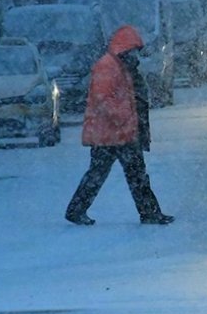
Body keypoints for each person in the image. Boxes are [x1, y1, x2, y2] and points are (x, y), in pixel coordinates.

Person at [65, 25, 174, 225]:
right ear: (125, 48)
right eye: (133, 50)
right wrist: (124, 118)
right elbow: (103, 98)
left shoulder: (120, 66)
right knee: (130, 174)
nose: (136, 56)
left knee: (111, 174)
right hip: (112, 133)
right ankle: (149, 213)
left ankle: (77, 210)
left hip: (115, 133)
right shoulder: (108, 66)